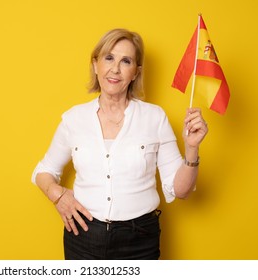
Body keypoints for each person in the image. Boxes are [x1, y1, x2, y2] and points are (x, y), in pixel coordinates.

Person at [31, 28, 208, 260]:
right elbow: (43, 171)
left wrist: (192, 148)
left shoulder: (155, 117)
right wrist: (58, 196)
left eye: (126, 61)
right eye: (108, 58)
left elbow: (180, 190)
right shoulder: (73, 119)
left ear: (136, 72)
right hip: (83, 236)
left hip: (140, 239)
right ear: (96, 65)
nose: (115, 69)